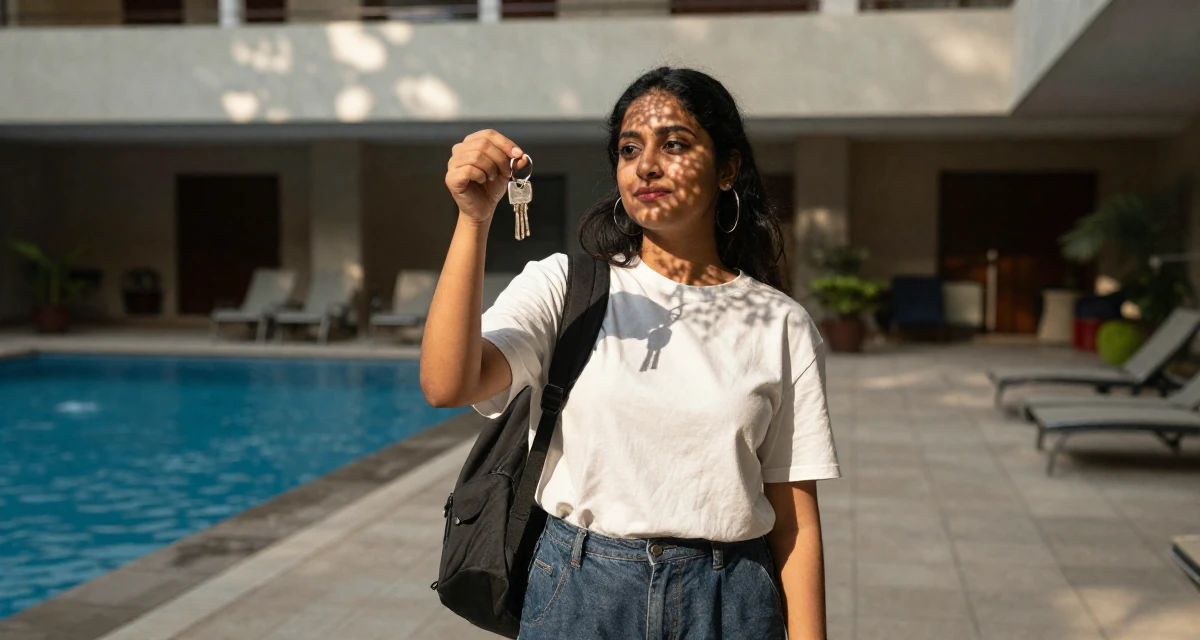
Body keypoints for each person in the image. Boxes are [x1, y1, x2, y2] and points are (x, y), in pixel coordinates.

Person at [421, 66, 839, 640]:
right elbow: (447, 382)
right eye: (629, 148)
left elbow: (794, 521)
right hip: (579, 591)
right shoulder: (564, 287)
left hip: (729, 600)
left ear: (729, 169)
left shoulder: (780, 324)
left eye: (675, 144)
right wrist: (474, 218)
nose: (646, 165)